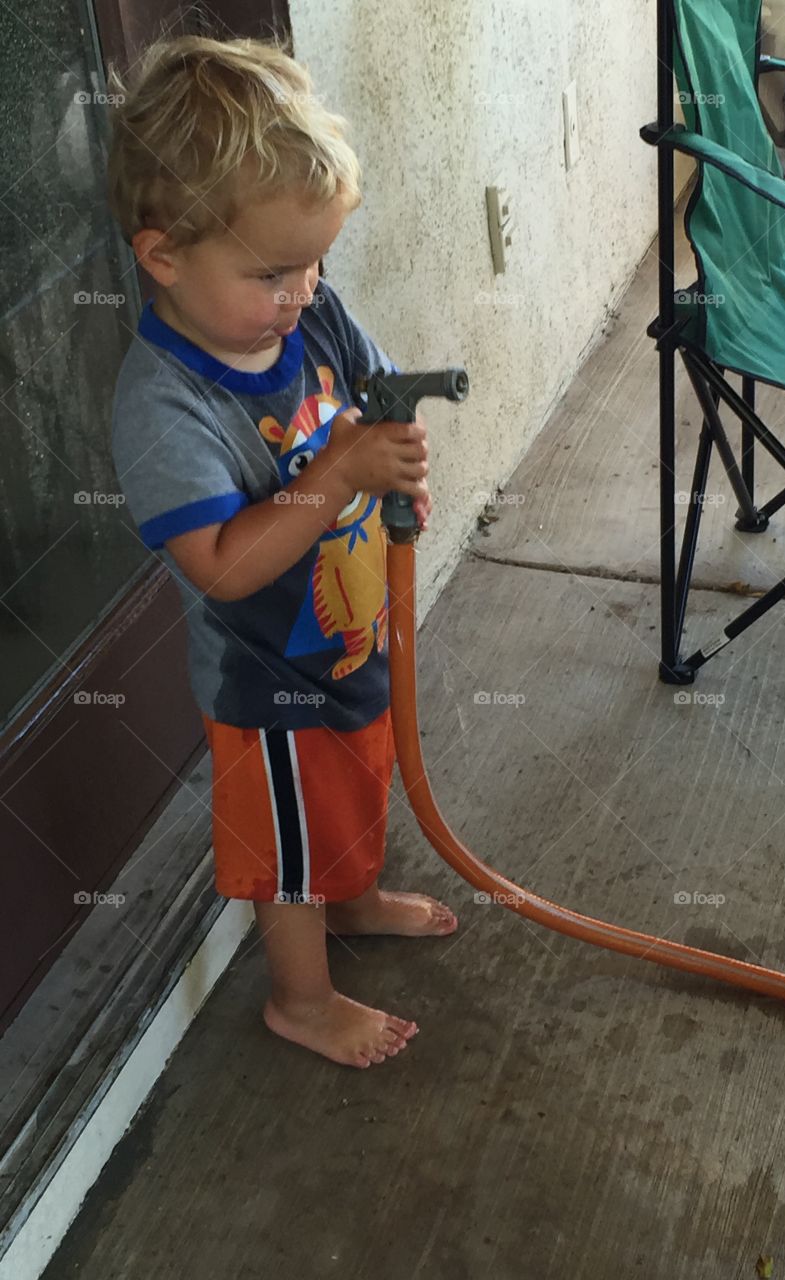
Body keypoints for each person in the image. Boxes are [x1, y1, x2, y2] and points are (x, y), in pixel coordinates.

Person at [107, 34, 458, 1070]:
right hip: (267, 686)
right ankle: (301, 997)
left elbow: (373, 395)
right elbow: (217, 564)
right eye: (272, 271)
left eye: (318, 261)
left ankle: (355, 902)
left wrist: (395, 464)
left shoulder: (306, 315)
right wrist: (338, 479)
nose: (304, 290)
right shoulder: (168, 404)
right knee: (286, 851)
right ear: (164, 255)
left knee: (358, 781)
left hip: (346, 637)